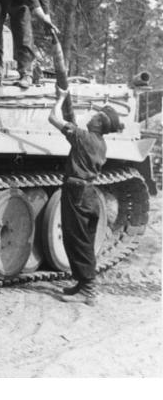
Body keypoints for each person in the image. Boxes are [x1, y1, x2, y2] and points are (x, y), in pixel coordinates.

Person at [48, 87, 124, 306]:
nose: (91, 117)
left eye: (95, 116)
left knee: (77, 240)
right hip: (89, 194)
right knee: (85, 241)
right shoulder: (99, 143)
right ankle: (83, 285)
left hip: (76, 193)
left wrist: (61, 98)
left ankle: (88, 290)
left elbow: (53, 118)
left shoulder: (84, 138)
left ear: (99, 124)